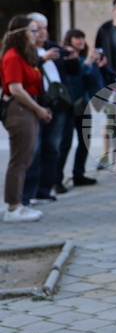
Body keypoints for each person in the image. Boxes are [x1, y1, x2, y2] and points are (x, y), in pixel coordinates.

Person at [23, 12, 78, 204]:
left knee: (53, 148)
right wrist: (43, 59)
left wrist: (73, 58)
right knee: (34, 149)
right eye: (38, 29)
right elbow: (25, 73)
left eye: (45, 28)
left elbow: (73, 72)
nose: (43, 33)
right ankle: (29, 193)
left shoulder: (54, 47)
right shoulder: (25, 50)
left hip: (59, 105)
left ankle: (45, 190)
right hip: (36, 104)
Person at [1, 16, 52, 222]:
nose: (37, 34)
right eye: (32, 30)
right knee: (19, 160)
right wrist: (38, 109)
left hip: (26, 108)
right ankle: (13, 208)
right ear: (21, 33)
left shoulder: (23, 55)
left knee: (25, 159)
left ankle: (18, 204)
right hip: (20, 109)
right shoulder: (12, 56)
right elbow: (15, 89)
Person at [58, 29, 106, 188]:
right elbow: (73, 79)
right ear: (69, 39)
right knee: (65, 143)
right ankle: (56, 180)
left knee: (85, 140)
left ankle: (78, 174)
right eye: (77, 38)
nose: (81, 41)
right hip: (69, 105)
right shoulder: (65, 57)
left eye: (83, 38)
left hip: (84, 104)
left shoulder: (86, 57)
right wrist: (87, 64)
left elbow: (93, 80)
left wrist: (98, 66)